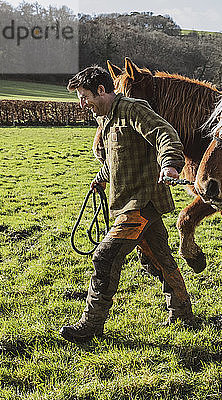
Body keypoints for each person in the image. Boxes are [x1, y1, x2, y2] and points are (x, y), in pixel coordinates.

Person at [61, 66, 193, 343]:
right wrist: (100, 179)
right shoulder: (105, 120)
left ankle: (91, 323)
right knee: (157, 258)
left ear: (101, 90)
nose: (82, 104)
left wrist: (170, 164)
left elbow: (164, 133)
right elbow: (114, 161)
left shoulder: (133, 109)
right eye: (79, 99)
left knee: (105, 257)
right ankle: (182, 311)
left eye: (85, 97)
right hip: (126, 202)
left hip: (141, 202)